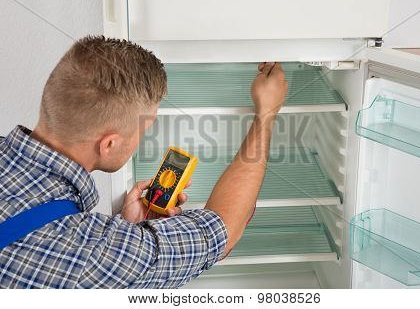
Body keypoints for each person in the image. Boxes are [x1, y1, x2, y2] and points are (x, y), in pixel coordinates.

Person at [0, 36, 287, 288]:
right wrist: (267, 112)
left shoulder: (92, 252)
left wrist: (123, 231)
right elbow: (220, 231)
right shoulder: (93, 257)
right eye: (145, 128)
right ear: (109, 143)